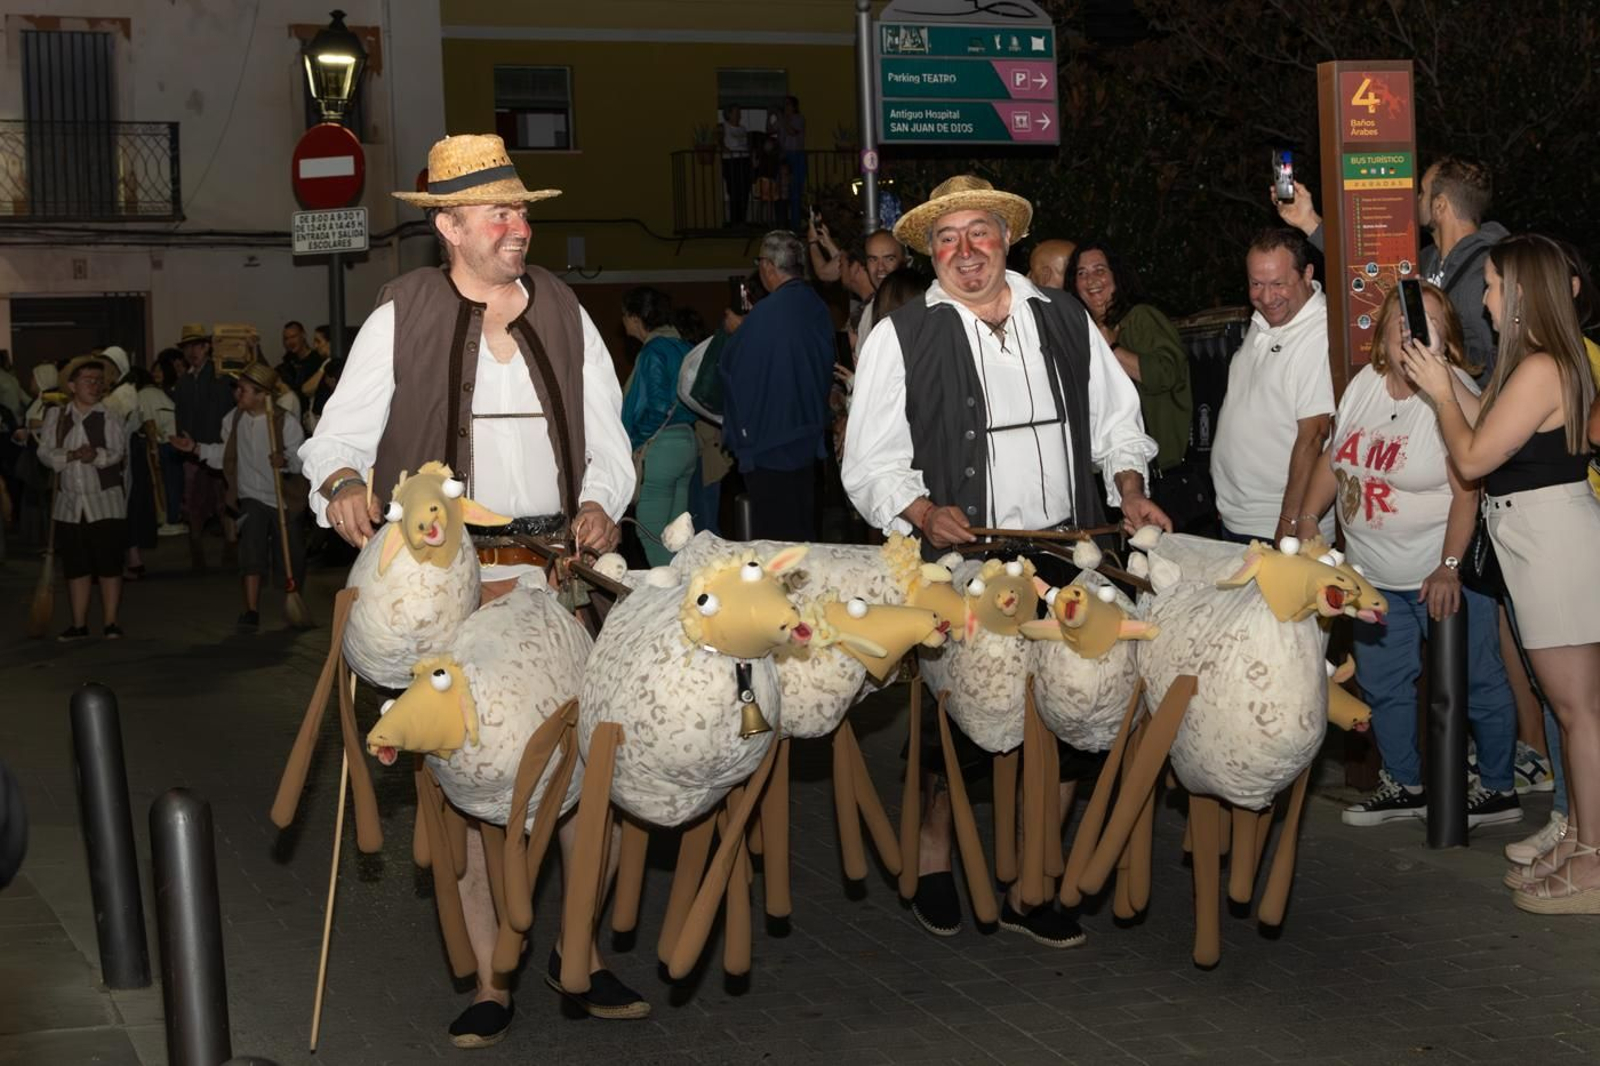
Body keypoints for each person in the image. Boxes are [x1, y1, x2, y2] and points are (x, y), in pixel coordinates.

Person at [300, 133, 639, 1038]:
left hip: (557, 581)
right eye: (499, 212)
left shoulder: (564, 308)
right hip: (452, 592)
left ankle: (578, 955)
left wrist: (601, 502)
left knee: (588, 777)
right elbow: (334, 439)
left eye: (522, 210)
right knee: (477, 790)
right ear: (449, 226)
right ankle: (492, 980)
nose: (518, 226)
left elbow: (610, 440)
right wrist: (343, 485)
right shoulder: (401, 312)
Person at [843, 174, 1167, 946]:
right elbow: (869, 462)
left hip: (1067, 546)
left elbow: (1118, 423)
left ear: (1007, 238)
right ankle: (933, 854)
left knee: (1084, 704)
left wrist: (1129, 488)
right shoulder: (902, 335)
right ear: (931, 253)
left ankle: (1033, 875)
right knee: (968, 717)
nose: (965, 251)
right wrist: (923, 511)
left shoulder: (1062, 316)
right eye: (946, 239)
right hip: (967, 559)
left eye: (978, 233)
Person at [1398, 233, 1600, 915]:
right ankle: (1580, 839)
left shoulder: (1543, 366)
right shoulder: (1538, 362)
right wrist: (1444, 377)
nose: (1482, 299)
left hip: (1552, 542)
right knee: (1574, 711)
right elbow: (1488, 426)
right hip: (1539, 539)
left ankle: (1593, 859)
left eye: (1490, 285)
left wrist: (1440, 395)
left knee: (1578, 712)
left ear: (1519, 293)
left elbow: (1472, 458)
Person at [1298, 284, 1520, 828]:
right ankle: (1406, 785)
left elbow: (1468, 490)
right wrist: (1306, 519)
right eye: (1400, 319)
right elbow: (1333, 458)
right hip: (1372, 578)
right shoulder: (1364, 386)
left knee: (1476, 679)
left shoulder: (1453, 391)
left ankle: (1498, 788)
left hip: (1439, 575)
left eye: (1426, 320)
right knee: (1384, 686)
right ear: (1382, 334)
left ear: (1448, 337)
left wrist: (1448, 567)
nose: (1410, 329)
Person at [1276, 158, 1507, 378]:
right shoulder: (1426, 260)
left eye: (1422, 192)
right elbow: (1367, 270)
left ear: (1439, 206)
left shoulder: (1485, 275)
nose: (1416, 199)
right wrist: (1308, 221)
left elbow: (1500, 363)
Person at [1210, 228, 1335, 543]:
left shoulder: (1319, 333)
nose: (1266, 298)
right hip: (1238, 514)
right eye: (1256, 284)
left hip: (1276, 525)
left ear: (1307, 274)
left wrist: (1289, 522)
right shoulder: (1267, 318)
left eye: (1278, 284)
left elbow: (1314, 435)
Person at [174, 361, 306, 631]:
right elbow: (225, 455)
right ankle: (251, 611)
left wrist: (285, 461)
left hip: (283, 499)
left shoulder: (285, 422)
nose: (237, 394)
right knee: (251, 552)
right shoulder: (233, 419)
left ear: (262, 395)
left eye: (243, 389)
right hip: (250, 496)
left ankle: (293, 603)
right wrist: (196, 448)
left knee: (291, 555)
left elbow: (302, 460)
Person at [719, 230, 834, 540]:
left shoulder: (766, 313)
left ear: (768, 266)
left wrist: (737, 332)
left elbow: (733, 369)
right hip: (808, 435)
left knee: (776, 541)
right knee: (804, 532)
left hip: (770, 443)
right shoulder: (817, 305)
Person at [1067, 242, 1194, 503]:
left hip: (1155, 474)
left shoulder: (1141, 318)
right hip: (1104, 477)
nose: (1091, 280)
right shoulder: (1078, 332)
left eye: (1099, 270)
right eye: (1081, 273)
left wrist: (1112, 348)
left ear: (1117, 275)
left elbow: (1168, 374)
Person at [38, 354, 127, 640]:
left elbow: (117, 453)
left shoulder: (110, 415)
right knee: (76, 566)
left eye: (99, 381)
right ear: (72, 385)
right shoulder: (56, 416)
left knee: (109, 564)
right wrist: (70, 455)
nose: (95, 385)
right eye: (88, 380)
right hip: (69, 505)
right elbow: (44, 453)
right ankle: (79, 624)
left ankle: (111, 622)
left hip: (105, 503)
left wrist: (94, 456)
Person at [619, 286, 698, 565]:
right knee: (677, 538)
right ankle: (685, 586)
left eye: (624, 315)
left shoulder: (653, 350)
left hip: (662, 448)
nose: (623, 321)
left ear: (635, 317)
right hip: (687, 442)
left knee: (652, 535)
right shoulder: (685, 347)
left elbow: (658, 407)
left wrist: (634, 440)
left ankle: (667, 591)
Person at [171, 323, 239, 570]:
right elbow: (180, 416)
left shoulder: (222, 377)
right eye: (188, 347)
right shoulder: (184, 382)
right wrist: (183, 445)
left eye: (197, 346)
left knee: (226, 501)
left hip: (219, 447)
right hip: (192, 453)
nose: (192, 352)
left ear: (207, 347)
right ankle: (197, 551)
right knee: (193, 503)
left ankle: (231, 549)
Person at [772, 95, 806, 231]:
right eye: (784, 104)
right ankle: (782, 223)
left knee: (795, 190)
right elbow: (770, 129)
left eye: (788, 104)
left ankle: (795, 224)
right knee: (782, 190)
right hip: (784, 156)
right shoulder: (781, 120)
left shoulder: (799, 119)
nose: (785, 107)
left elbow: (792, 132)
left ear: (794, 106)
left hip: (796, 155)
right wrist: (770, 115)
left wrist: (782, 119)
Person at [717, 105, 752, 228]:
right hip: (731, 161)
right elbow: (717, 137)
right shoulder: (724, 126)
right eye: (736, 112)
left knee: (744, 191)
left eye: (739, 111)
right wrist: (723, 147)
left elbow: (747, 144)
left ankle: (742, 220)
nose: (739, 114)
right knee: (734, 191)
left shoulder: (743, 128)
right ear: (729, 114)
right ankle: (734, 221)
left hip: (744, 160)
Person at [278, 320, 313, 393]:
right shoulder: (288, 362)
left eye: (293, 337)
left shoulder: (316, 359)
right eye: (286, 338)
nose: (290, 342)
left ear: (303, 335)